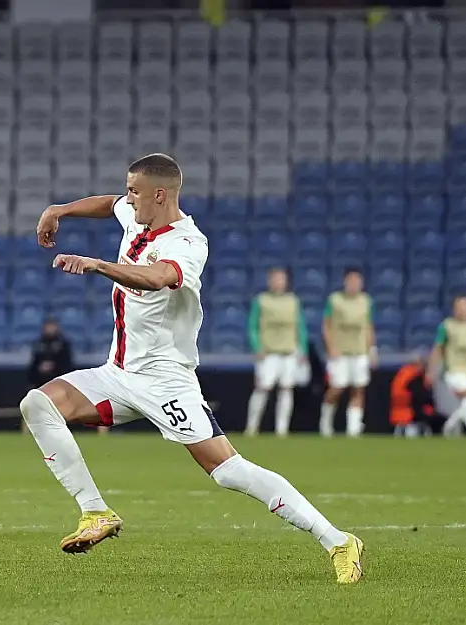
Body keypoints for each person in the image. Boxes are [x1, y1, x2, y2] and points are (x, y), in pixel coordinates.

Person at [25, 154, 363, 584]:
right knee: (38, 404)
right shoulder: (134, 212)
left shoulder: (187, 242)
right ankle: (96, 512)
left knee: (229, 472)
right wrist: (59, 210)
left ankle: (338, 541)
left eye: (134, 191)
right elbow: (108, 203)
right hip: (119, 373)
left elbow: (159, 277)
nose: (127, 199)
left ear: (160, 195)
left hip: (167, 380)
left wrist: (97, 265)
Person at [245, 267, 307, 437]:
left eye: (282, 279)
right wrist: (257, 347)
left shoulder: (293, 301)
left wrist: (303, 349)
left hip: (289, 352)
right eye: (276, 279)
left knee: (286, 389)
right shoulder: (261, 300)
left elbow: (300, 327)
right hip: (268, 352)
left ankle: (282, 429)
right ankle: (252, 427)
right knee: (262, 388)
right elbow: (253, 326)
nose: (279, 282)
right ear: (269, 281)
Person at [319, 268, 375, 437]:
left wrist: (371, 348)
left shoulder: (366, 301)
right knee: (337, 388)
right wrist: (331, 347)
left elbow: (369, 326)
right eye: (351, 281)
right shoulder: (334, 300)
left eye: (357, 281)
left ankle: (354, 428)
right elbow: (326, 325)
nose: (354, 285)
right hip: (340, 351)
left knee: (358, 389)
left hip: (359, 351)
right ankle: (325, 423)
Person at [428, 294, 466, 436]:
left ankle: (450, 426)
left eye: (465, 306)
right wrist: (431, 370)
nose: (461, 310)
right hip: (454, 371)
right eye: (458, 306)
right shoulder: (447, 326)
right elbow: (438, 349)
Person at [28, 317, 74, 389]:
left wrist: (53, 367)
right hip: (41, 382)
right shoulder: (39, 343)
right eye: (48, 326)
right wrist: (40, 368)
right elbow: (34, 364)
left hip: (58, 381)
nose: (50, 328)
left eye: (52, 326)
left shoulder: (64, 344)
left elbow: (67, 365)